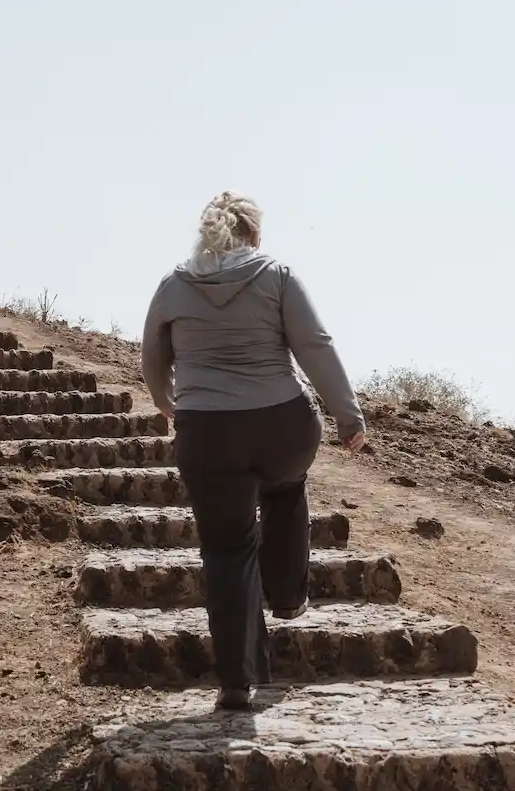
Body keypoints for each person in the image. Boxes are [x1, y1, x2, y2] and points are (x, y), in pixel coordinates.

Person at [140, 190, 367, 710]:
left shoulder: (173, 286)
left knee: (226, 549)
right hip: (282, 425)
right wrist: (347, 416)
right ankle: (288, 596)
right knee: (286, 489)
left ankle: (237, 683)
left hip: (208, 432)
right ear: (255, 235)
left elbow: (153, 358)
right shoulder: (277, 276)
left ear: (205, 235)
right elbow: (315, 345)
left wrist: (169, 403)